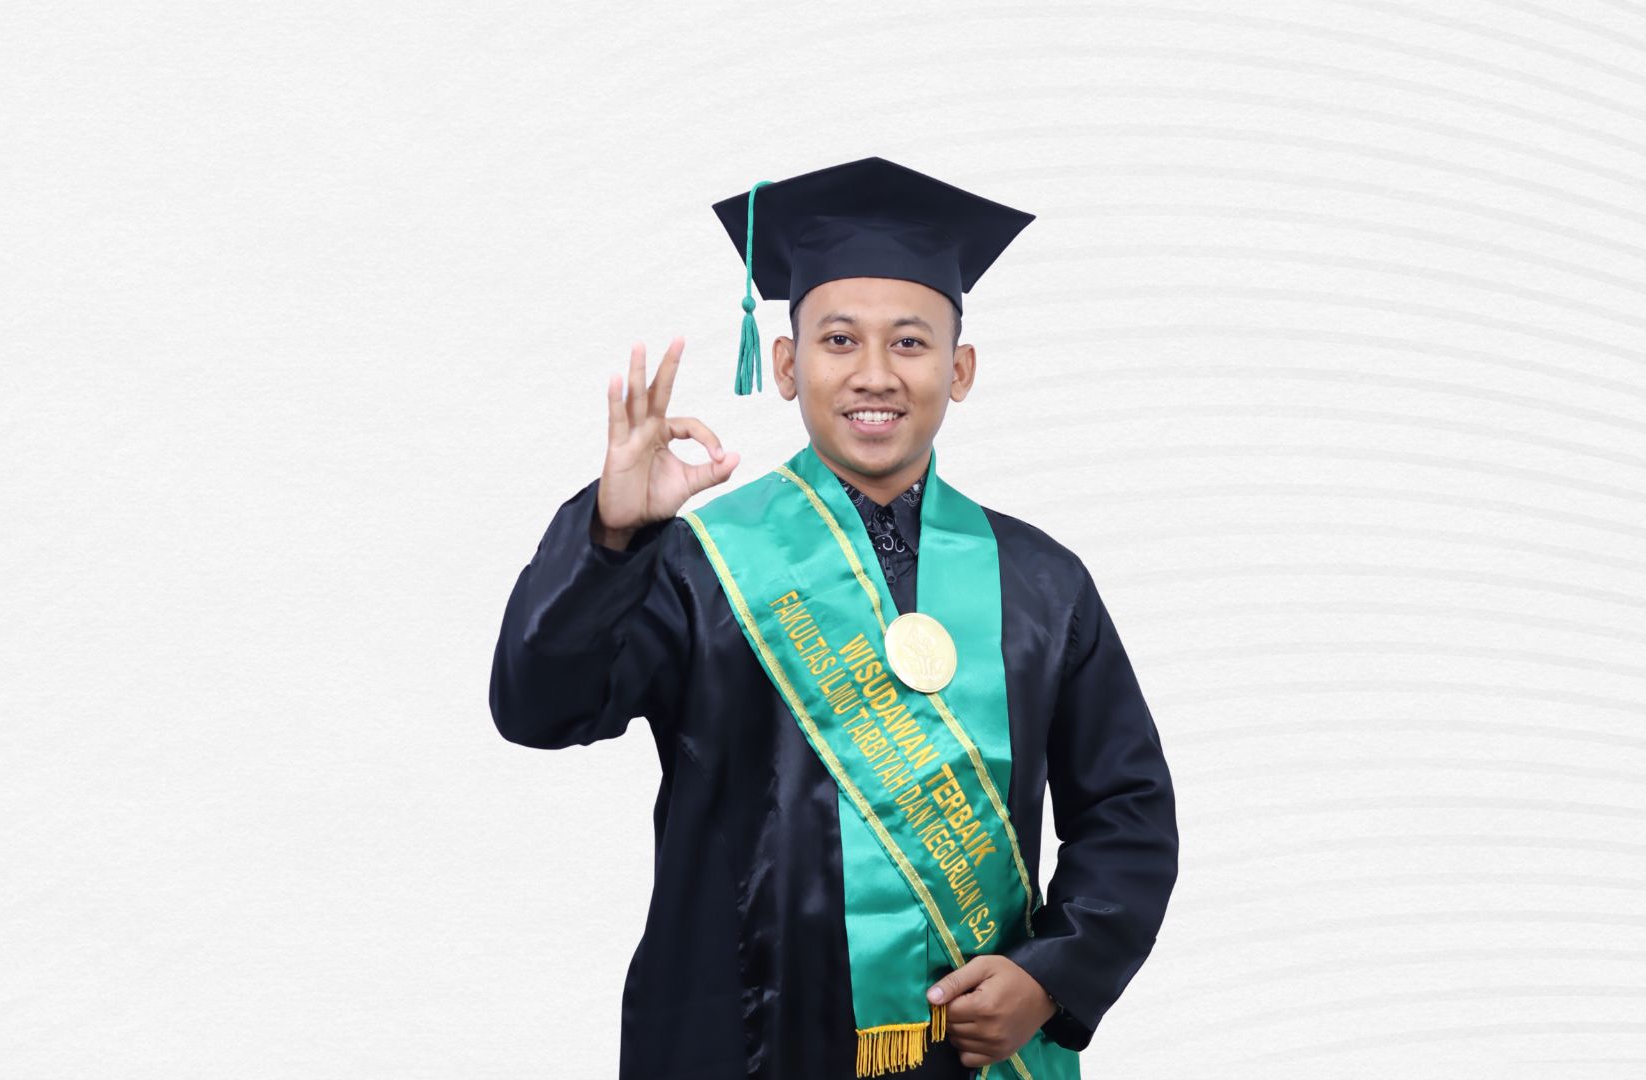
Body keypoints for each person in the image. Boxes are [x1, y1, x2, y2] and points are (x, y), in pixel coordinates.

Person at [489, 156, 1179, 1080]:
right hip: (739, 1036)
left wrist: (1050, 976)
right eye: (840, 340)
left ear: (961, 370)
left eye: (910, 343)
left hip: (963, 1052)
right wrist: (614, 535)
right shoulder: (700, 566)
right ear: (787, 364)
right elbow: (538, 708)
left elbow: (1128, 813)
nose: (875, 374)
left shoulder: (1045, 587)